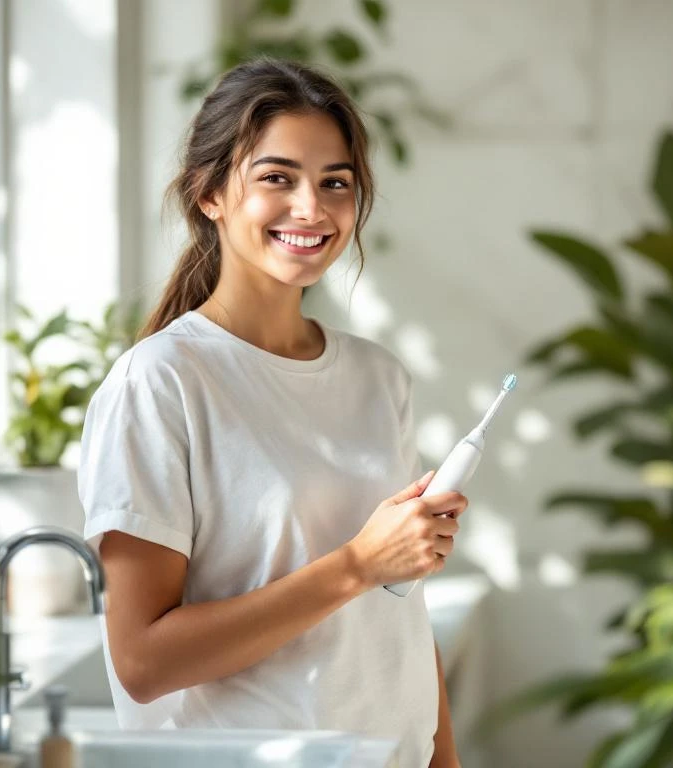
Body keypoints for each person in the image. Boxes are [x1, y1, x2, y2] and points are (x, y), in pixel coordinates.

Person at [77, 57, 467, 768]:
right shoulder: (161, 384)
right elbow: (141, 661)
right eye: (277, 178)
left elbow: (397, 613)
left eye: (335, 183)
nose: (312, 209)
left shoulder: (378, 378)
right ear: (210, 194)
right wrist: (354, 565)